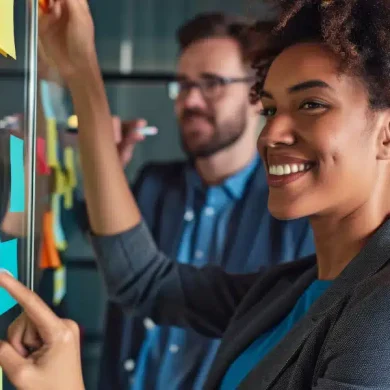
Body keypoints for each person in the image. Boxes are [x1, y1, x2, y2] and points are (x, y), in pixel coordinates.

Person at [4, 0, 390, 389]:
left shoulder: (381, 307)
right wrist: (80, 66)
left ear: (386, 133)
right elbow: (143, 280)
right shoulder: (288, 291)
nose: (270, 134)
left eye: (312, 104)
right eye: (271, 110)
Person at [70, 11, 315, 390]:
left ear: (257, 97)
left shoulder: (292, 210)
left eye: (212, 83)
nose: (191, 100)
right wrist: (104, 174)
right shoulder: (153, 184)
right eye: (183, 85)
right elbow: (107, 249)